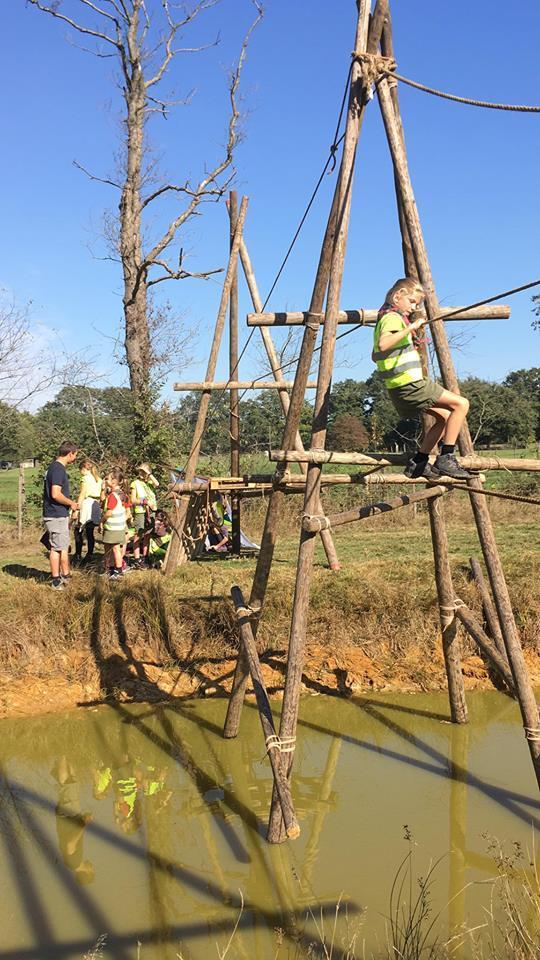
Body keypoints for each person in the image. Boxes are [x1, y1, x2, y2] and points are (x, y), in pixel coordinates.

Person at [373, 278, 472, 480]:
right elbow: (383, 345)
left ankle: (418, 463)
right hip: (410, 385)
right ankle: (446, 458)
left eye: (417, 304)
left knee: (444, 418)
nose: (413, 307)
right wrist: (411, 328)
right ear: (397, 295)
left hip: (399, 389)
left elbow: (375, 354)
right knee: (462, 404)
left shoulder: (385, 319)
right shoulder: (393, 317)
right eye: (411, 301)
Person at [42, 440, 80, 591]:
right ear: (70, 453)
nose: (75, 458)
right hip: (56, 514)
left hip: (56, 514)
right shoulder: (58, 469)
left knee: (61, 546)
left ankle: (64, 575)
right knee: (57, 548)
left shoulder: (54, 468)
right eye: (75, 455)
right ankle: (57, 580)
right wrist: (71, 503)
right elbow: (56, 494)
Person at [102, 467, 130, 580]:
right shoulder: (122, 494)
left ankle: (118, 571)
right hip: (119, 526)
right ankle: (111, 569)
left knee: (115, 548)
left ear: (114, 481)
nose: (105, 480)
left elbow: (109, 513)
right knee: (111, 548)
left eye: (107, 479)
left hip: (113, 527)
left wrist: (101, 521)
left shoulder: (113, 496)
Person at [130, 463, 159, 567]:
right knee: (139, 535)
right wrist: (144, 502)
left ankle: (145, 557)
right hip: (140, 511)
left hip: (151, 512)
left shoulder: (150, 483)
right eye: (141, 471)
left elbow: (157, 484)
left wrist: (149, 474)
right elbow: (133, 500)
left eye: (144, 471)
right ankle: (137, 559)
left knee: (148, 535)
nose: (141, 473)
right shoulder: (135, 483)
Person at [74, 459, 102, 564]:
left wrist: (77, 508)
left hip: (87, 503)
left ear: (83, 469)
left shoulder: (85, 478)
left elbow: (82, 493)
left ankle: (77, 554)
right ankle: (90, 554)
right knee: (90, 531)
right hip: (96, 504)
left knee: (79, 530)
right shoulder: (98, 479)